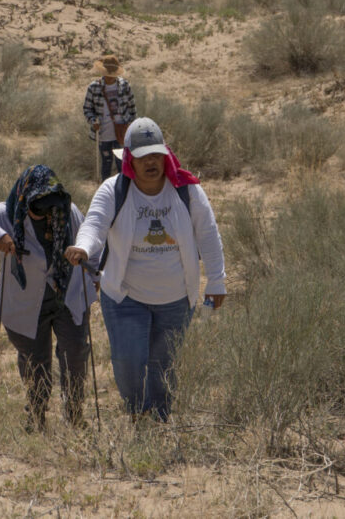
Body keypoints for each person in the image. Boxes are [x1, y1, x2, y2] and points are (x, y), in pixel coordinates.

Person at [65, 118, 226, 422]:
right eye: (143, 156)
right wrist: (84, 247)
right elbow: (95, 224)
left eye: (156, 154)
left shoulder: (187, 191)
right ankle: (138, 413)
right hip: (126, 296)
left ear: (165, 155)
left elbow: (208, 234)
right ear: (129, 160)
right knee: (128, 361)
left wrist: (217, 280)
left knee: (164, 363)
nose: (151, 161)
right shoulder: (114, 190)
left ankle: (160, 420)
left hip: (177, 298)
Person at [0, 165, 100, 432]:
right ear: (25, 197)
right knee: (36, 365)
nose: (48, 213)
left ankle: (74, 414)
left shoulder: (67, 210)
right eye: (40, 207)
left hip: (67, 299)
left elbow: (90, 241)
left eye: (52, 206)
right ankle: (35, 417)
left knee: (75, 356)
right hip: (25, 304)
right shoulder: (5, 213)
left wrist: (94, 275)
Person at [82, 55, 136, 182]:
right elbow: (87, 109)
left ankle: (123, 192)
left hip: (121, 133)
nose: (110, 76)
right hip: (103, 134)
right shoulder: (94, 87)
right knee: (106, 165)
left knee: (122, 165)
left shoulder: (124, 85)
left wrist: (131, 127)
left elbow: (132, 108)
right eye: (108, 73)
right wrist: (93, 120)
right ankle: (106, 192)